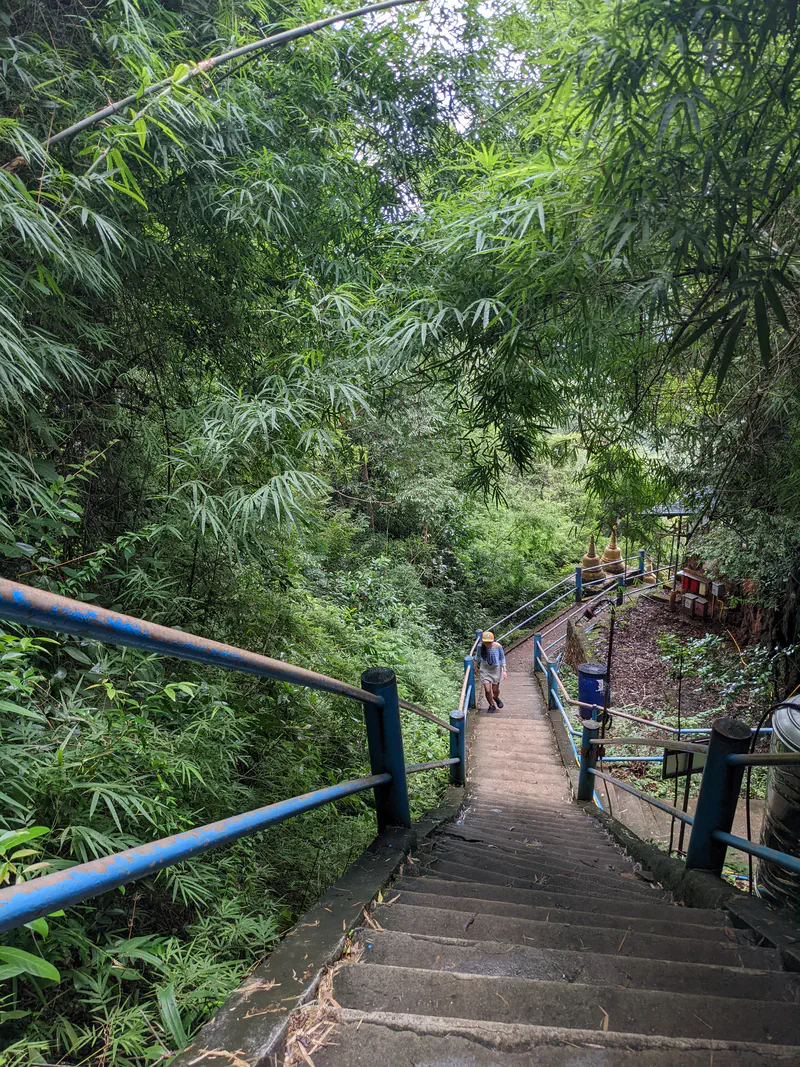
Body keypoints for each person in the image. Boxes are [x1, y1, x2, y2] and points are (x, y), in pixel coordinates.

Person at [479, 630, 507, 712]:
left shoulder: (498, 646)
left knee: (495, 690)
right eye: (486, 642)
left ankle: (496, 698)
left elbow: (502, 658)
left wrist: (505, 670)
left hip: (496, 669)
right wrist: (475, 665)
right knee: (487, 690)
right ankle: (491, 705)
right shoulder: (480, 646)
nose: (488, 644)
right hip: (485, 669)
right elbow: (477, 656)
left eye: (489, 642)